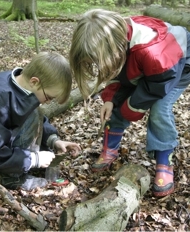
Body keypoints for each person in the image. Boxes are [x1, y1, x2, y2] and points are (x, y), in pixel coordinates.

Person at [69, 9, 190, 197]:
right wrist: (111, 99)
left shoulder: (151, 52)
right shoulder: (115, 38)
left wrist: (131, 108)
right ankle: (110, 148)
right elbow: (118, 71)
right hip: (147, 65)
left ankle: (164, 159)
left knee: (159, 108)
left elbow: (156, 86)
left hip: (177, 65)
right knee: (117, 104)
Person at [0, 52, 81, 191]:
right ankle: (12, 178)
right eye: (49, 97)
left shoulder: (17, 83)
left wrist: (53, 140)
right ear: (34, 81)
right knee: (34, 111)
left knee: (35, 110)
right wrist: (34, 159)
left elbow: (32, 113)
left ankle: (20, 164)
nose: (48, 102)